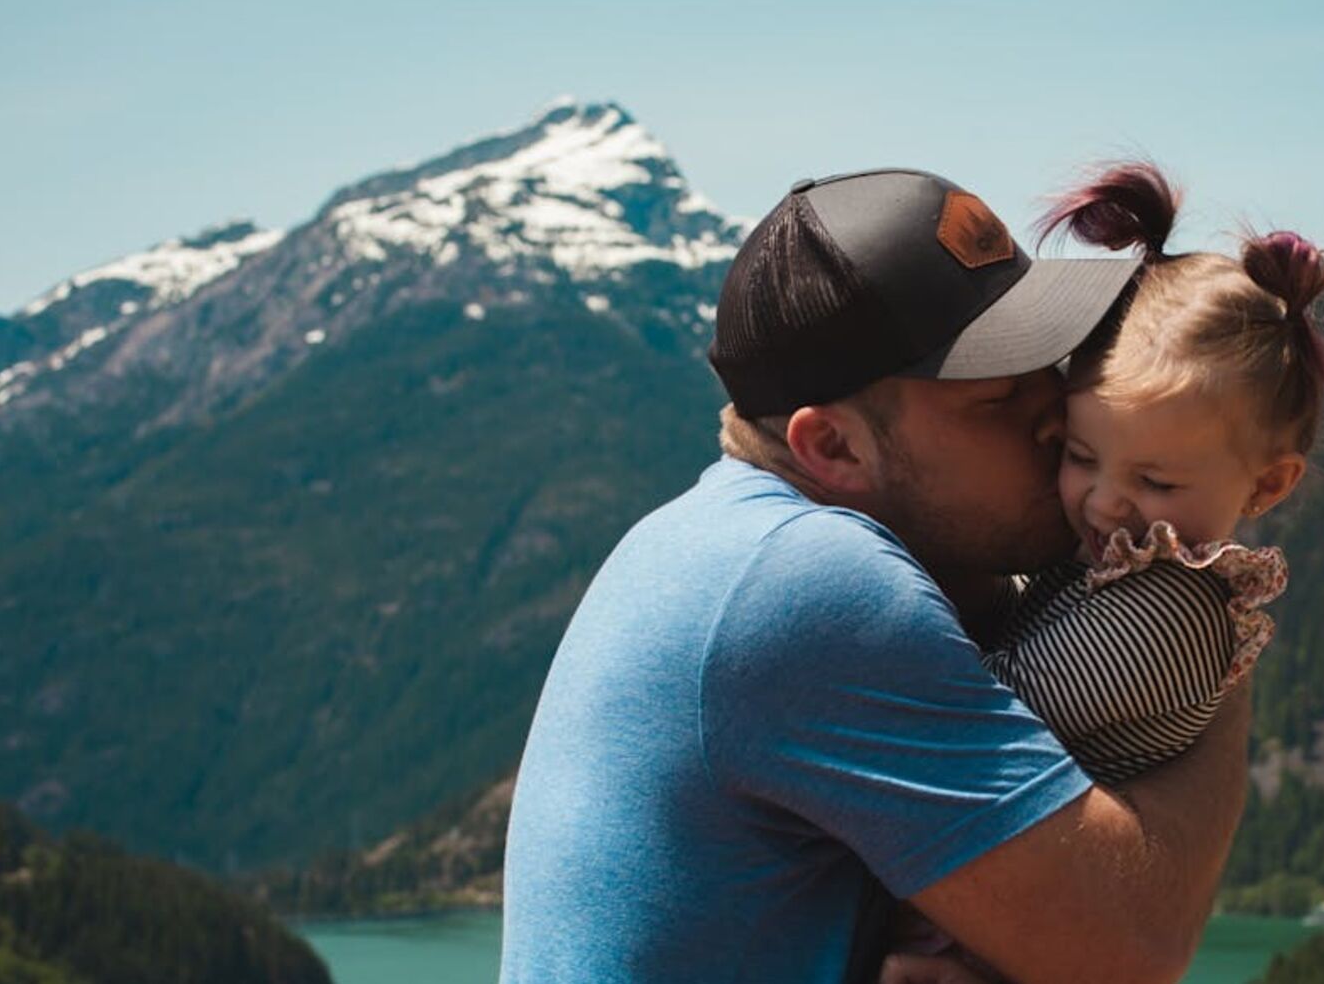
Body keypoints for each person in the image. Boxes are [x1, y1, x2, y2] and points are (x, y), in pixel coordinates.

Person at [499, 168, 1259, 984]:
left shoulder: (720, 535)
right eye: (999, 397)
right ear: (832, 448)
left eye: (1050, 360)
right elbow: (1127, 951)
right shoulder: (807, 583)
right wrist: (1205, 598)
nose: (1057, 412)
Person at [981, 160, 1324, 785]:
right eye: (1081, 456)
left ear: (1267, 484)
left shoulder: (1167, 612)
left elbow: (977, 713)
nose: (1104, 503)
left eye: (1155, 483)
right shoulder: (1122, 567)